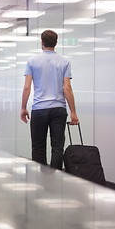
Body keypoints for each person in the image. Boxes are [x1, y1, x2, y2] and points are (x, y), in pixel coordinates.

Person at [20, 29, 79, 170]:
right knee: (57, 147)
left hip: (39, 110)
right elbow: (67, 88)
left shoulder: (32, 62)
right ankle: (56, 180)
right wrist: (73, 112)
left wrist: (23, 108)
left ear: (42, 42)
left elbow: (27, 87)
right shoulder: (64, 62)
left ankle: (41, 181)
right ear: (56, 43)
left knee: (38, 147)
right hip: (59, 109)